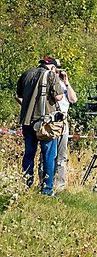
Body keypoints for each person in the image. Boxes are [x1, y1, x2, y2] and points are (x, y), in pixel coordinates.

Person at [14, 57, 64, 195]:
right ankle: (47, 189)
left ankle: (26, 185)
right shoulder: (51, 75)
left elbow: (18, 95)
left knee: (29, 154)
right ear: (52, 67)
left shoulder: (27, 74)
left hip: (27, 122)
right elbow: (59, 97)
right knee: (49, 155)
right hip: (45, 124)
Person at [52, 68, 78, 192]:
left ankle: (60, 186)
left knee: (62, 155)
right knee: (48, 154)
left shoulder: (64, 84)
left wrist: (67, 82)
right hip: (51, 122)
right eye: (55, 70)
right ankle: (45, 182)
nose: (58, 73)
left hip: (63, 121)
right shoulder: (48, 83)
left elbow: (73, 99)